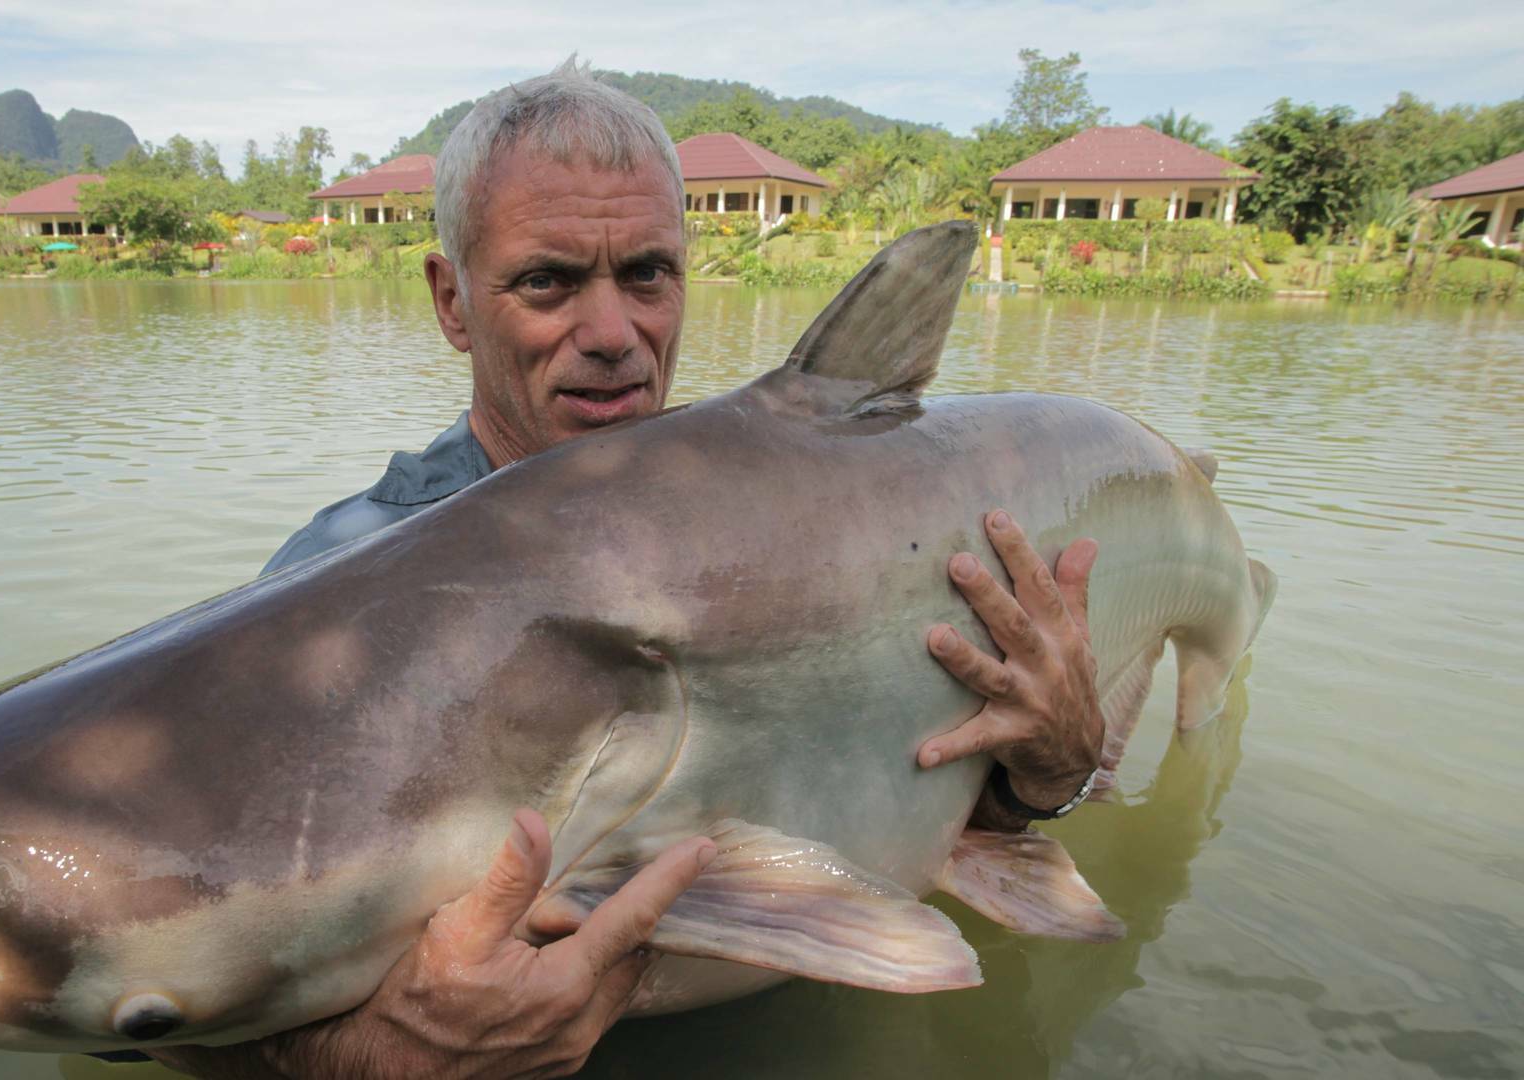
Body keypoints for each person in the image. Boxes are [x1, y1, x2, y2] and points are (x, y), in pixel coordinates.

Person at [150, 62, 1102, 1080]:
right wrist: (354, 1058)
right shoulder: (336, 593)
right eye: (547, 281)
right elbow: (161, 968)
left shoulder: (810, 518)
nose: (612, 336)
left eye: (647, 274)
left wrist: (1056, 771)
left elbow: (943, 791)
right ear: (452, 301)